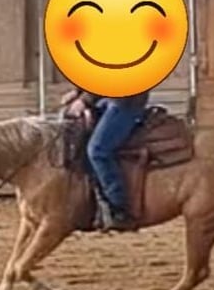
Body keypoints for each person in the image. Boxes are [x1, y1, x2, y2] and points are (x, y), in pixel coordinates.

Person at [61, 87, 150, 231]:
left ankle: (118, 207)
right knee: (77, 137)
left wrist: (84, 100)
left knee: (98, 150)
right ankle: (93, 199)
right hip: (108, 99)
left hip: (126, 101)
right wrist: (78, 92)